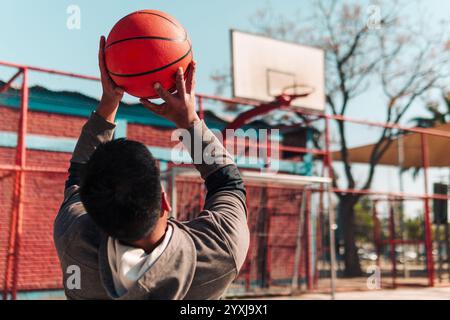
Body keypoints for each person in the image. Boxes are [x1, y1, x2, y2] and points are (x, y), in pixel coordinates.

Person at [53, 36, 250, 299]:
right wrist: (188, 120)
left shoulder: (74, 239)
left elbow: (78, 179)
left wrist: (109, 102)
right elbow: (229, 183)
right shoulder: (219, 252)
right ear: (164, 201)